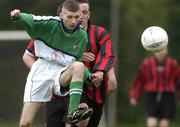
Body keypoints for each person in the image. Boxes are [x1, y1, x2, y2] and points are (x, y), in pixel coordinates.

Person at [22, 0, 117, 126]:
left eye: (83, 13)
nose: (80, 17)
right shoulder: (51, 32)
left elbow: (107, 55)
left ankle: (73, 113)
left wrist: (109, 75)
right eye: (75, 14)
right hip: (55, 90)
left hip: (86, 90)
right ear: (64, 15)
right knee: (29, 123)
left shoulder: (97, 34)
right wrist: (43, 74)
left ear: (88, 14)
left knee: (80, 121)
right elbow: (27, 56)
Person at [129, 47, 180, 127]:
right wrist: (134, 96)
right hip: (152, 96)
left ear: (166, 50)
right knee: (151, 124)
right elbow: (139, 81)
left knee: (164, 124)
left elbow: (178, 81)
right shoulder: (147, 64)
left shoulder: (172, 64)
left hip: (167, 97)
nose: (160, 53)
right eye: (158, 51)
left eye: (163, 50)